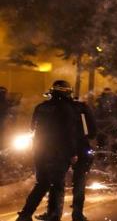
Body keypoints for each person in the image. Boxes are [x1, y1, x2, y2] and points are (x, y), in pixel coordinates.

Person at [16, 80, 79, 221]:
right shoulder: (67, 109)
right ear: (67, 92)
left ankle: (25, 215)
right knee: (57, 185)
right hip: (58, 152)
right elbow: (69, 133)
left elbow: (32, 128)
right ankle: (54, 216)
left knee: (41, 183)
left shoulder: (41, 107)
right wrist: (73, 153)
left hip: (39, 151)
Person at [36, 99, 97, 221]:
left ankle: (54, 213)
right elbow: (92, 130)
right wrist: (87, 138)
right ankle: (77, 214)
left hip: (61, 149)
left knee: (57, 182)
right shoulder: (81, 106)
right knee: (79, 182)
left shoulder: (50, 107)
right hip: (81, 147)